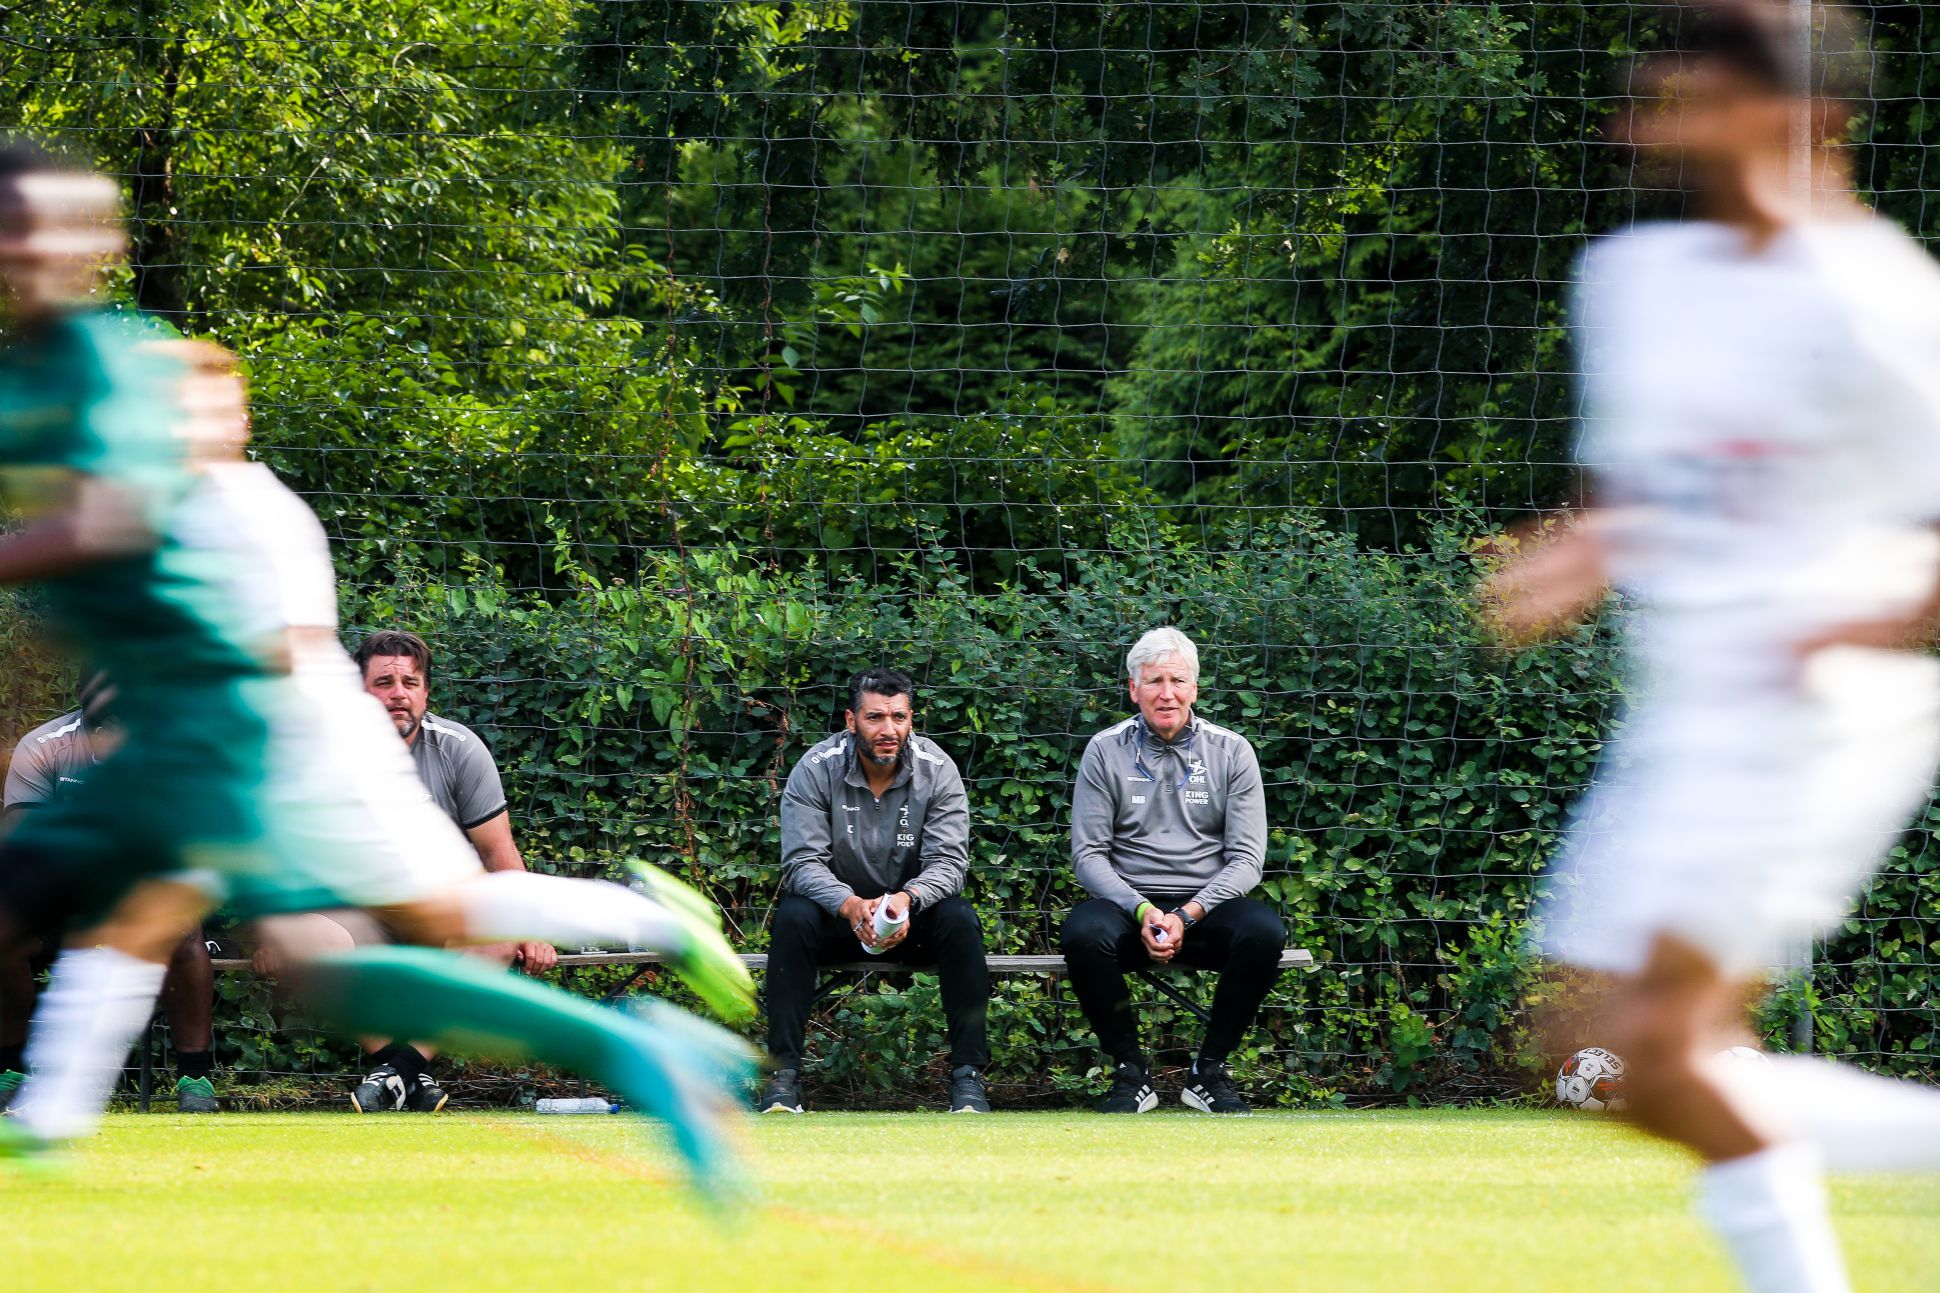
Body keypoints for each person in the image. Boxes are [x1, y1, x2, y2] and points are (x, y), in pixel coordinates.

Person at [0, 159, 753, 1196]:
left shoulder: (249, 507)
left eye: (203, 401)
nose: (181, 414)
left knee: (388, 940)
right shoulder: (128, 445)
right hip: (223, 742)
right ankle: (48, 1114)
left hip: (273, 743)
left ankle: (642, 1004)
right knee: (329, 941)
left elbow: (241, 629)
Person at [1478, 7, 1940, 1290]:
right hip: (1681, 712)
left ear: (1804, 118)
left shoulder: (1881, 302)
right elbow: (1651, 490)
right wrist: (1581, 550)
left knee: (1664, 1045)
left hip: (1821, 709)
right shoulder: (1634, 283)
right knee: (1594, 1049)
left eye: (1696, 90)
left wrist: (1851, 616)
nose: (1656, 113)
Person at [255, 627, 556, 1113]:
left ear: (425, 692)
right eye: (384, 683)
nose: (398, 694)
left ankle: (394, 1072)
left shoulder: (458, 748)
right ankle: (408, 1073)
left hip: (437, 913)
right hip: (355, 918)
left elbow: (498, 853)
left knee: (498, 936)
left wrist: (528, 929)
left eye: (410, 683)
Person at [1064, 627, 1281, 1115]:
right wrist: (1142, 909)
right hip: (1127, 907)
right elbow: (1089, 855)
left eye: (1178, 680)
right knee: (1082, 933)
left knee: (1264, 931)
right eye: (1154, 680)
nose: (1167, 693)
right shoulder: (1104, 750)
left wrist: (1188, 913)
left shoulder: (1232, 751)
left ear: (1195, 689)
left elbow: (1247, 858)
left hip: (1207, 906)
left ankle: (1209, 1073)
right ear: (1132, 688)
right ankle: (1130, 1075)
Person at [758, 668, 990, 1114]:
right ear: (851, 721)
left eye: (899, 718)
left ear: (911, 720)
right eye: (875, 718)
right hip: (837, 914)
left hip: (912, 913)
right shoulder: (815, 768)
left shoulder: (938, 770)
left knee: (960, 919)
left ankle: (968, 1079)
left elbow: (950, 863)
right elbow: (802, 862)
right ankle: (783, 1077)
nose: (889, 730)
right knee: (792, 918)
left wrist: (906, 900)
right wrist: (849, 905)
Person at [0, 675, 220, 1113]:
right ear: (83, 700)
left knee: (182, 926)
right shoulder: (44, 746)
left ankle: (195, 1079)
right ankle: (11, 1070)